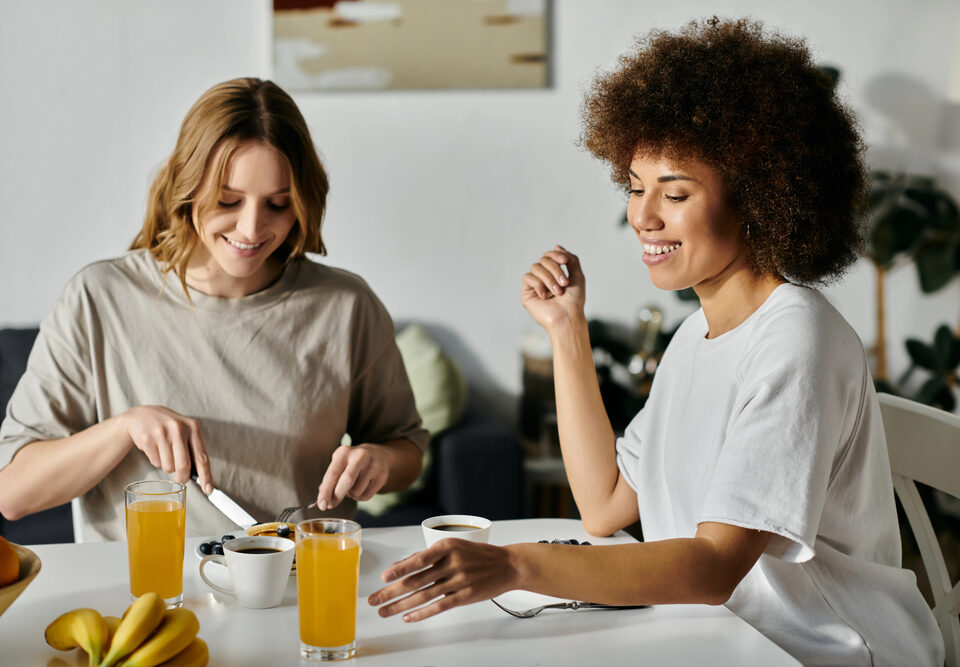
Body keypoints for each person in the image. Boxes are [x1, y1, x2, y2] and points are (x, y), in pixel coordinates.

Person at [367, 18, 943, 666]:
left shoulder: (796, 338)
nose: (643, 216)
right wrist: (566, 330)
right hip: (715, 641)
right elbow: (605, 503)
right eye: (636, 188)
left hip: (820, 651)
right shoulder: (696, 336)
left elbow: (713, 567)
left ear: (758, 198)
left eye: (674, 192)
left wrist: (514, 565)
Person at [0, 77, 428, 541]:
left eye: (279, 205)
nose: (252, 228)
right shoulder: (97, 298)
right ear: (188, 185)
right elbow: (14, 494)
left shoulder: (347, 306)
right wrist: (123, 428)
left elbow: (406, 449)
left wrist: (381, 461)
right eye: (228, 200)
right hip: (146, 599)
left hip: (297, 586)